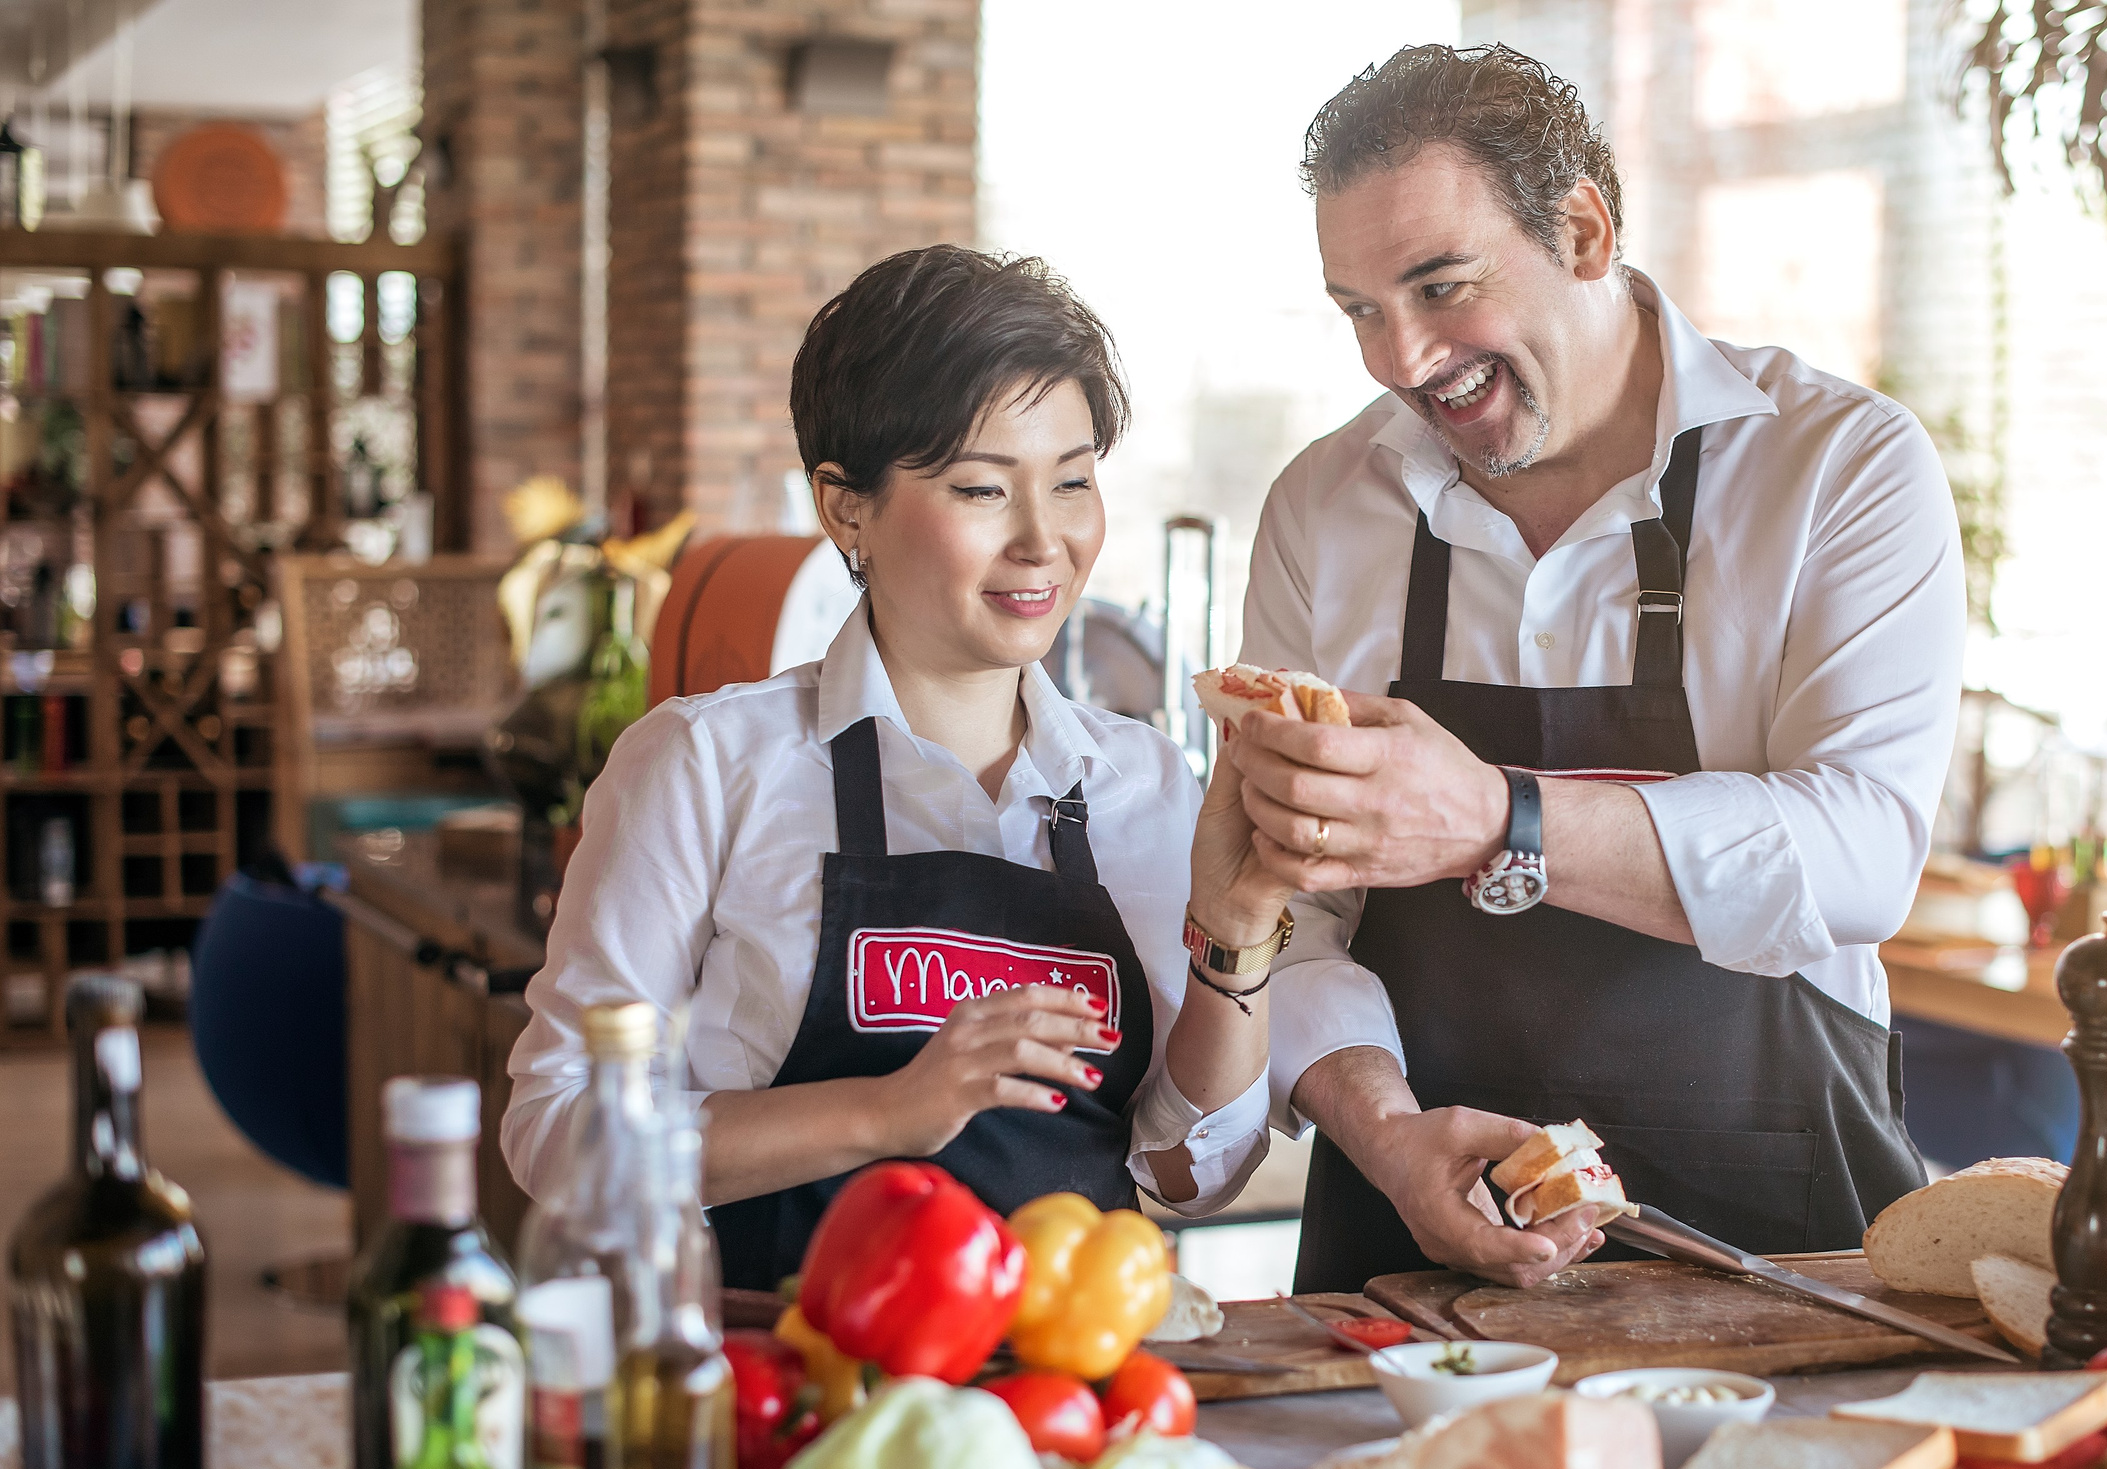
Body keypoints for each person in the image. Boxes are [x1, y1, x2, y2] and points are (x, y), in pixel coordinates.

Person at [1229, 46, 1964, 1293]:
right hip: (1413, 1250)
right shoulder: (1323, 505)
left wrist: (1492, 819)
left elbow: (1862, 855)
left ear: (1581, 230)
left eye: (1439, 286)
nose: (1401, 358)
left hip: (1776, 1237)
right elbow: (1288, 908)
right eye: (1358, 308)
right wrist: (1390, 1138)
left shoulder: (1839, 470)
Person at [503, 245, 1291, 1289]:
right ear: (845, 508)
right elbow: (560, 1132)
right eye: (979, 488)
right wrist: (887, 1111)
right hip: (797, 1386)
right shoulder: (706, 764)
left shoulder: (1143, 783)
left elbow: (1191, 1174)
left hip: (1071, 1393)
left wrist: (1234, 943)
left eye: (1072, 482)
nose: (1043, 540)